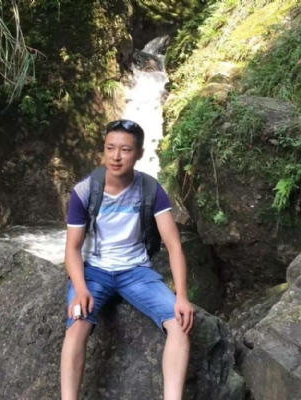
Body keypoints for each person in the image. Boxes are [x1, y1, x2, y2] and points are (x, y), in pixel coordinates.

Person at [60, 119, 195, 400]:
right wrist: (81, 289)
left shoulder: (151, 190)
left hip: (136, 271)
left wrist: (182, 296)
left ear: (139, 154)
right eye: (110, 148)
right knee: (77, 325)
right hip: (94, 271)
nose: (116, 156)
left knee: (179, 324)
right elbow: (72, 248)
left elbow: (173, 245)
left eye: (125, 150)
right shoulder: (84, 191)